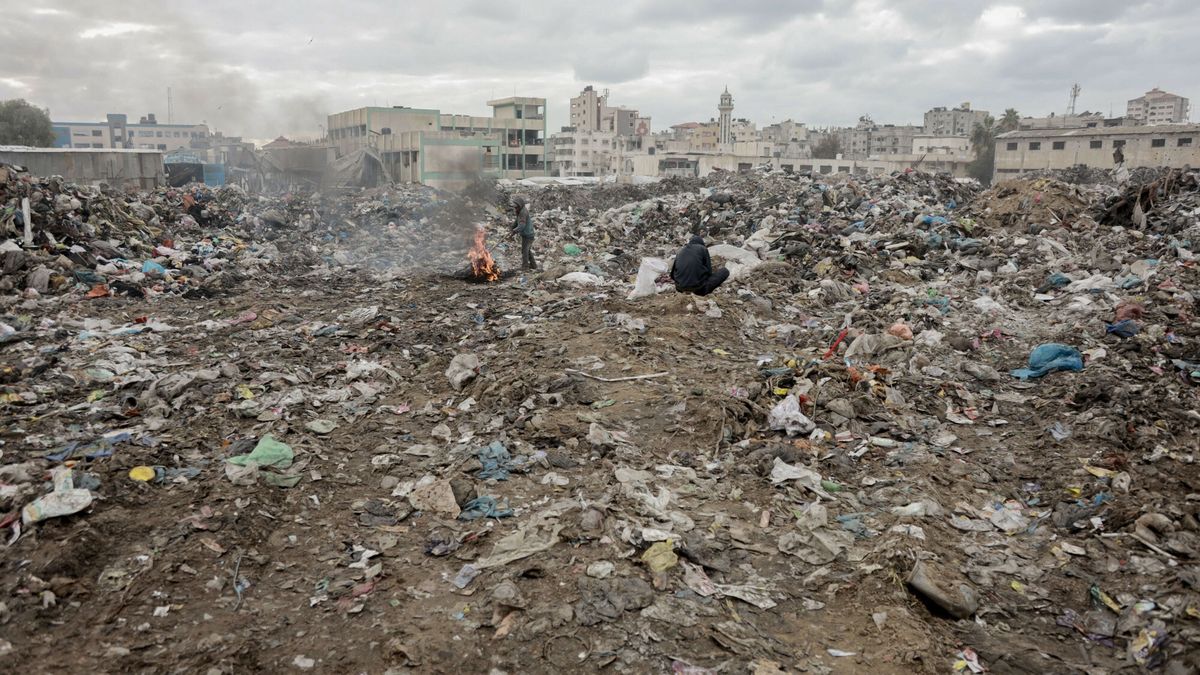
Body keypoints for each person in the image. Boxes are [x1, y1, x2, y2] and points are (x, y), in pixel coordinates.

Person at [510, 195, 536, 270]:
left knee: (525, 251)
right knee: (527, 250)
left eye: (516, 207)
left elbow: (522, 226)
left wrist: (514, 231)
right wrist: (512, 227)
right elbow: (517, 221)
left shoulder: (523, 212)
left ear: (520, 205)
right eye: (514, 207)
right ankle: (534, 266)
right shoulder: (519, 211)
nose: (515, 208)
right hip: (526, 234)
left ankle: (525, 267)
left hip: (528, 235)